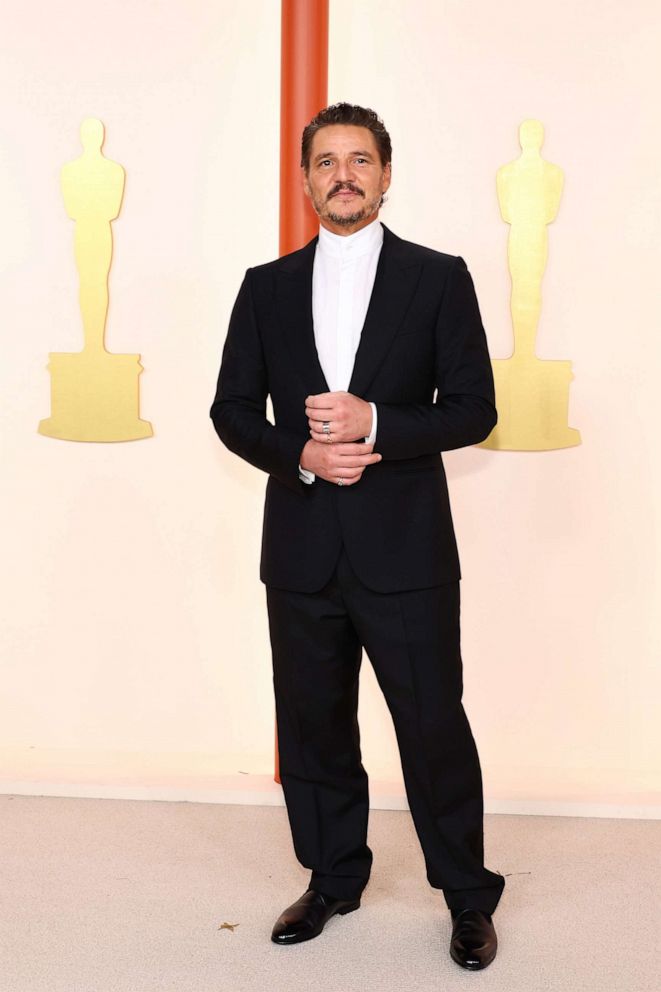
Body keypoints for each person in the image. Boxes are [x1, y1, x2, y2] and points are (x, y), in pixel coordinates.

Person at [209, 102, 505, 971]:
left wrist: (376, 420)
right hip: (301, 548)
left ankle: (465, 897)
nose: (344, 173)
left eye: (360, 159)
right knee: (312, 726)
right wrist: (299, 451)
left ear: (384, 174)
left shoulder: (440, 277)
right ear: (305, 179)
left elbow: (475, 410)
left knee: (430, 724)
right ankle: (332, 879)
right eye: (326, 160)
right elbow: (230, 412)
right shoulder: (263, 287)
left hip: (407, 551)